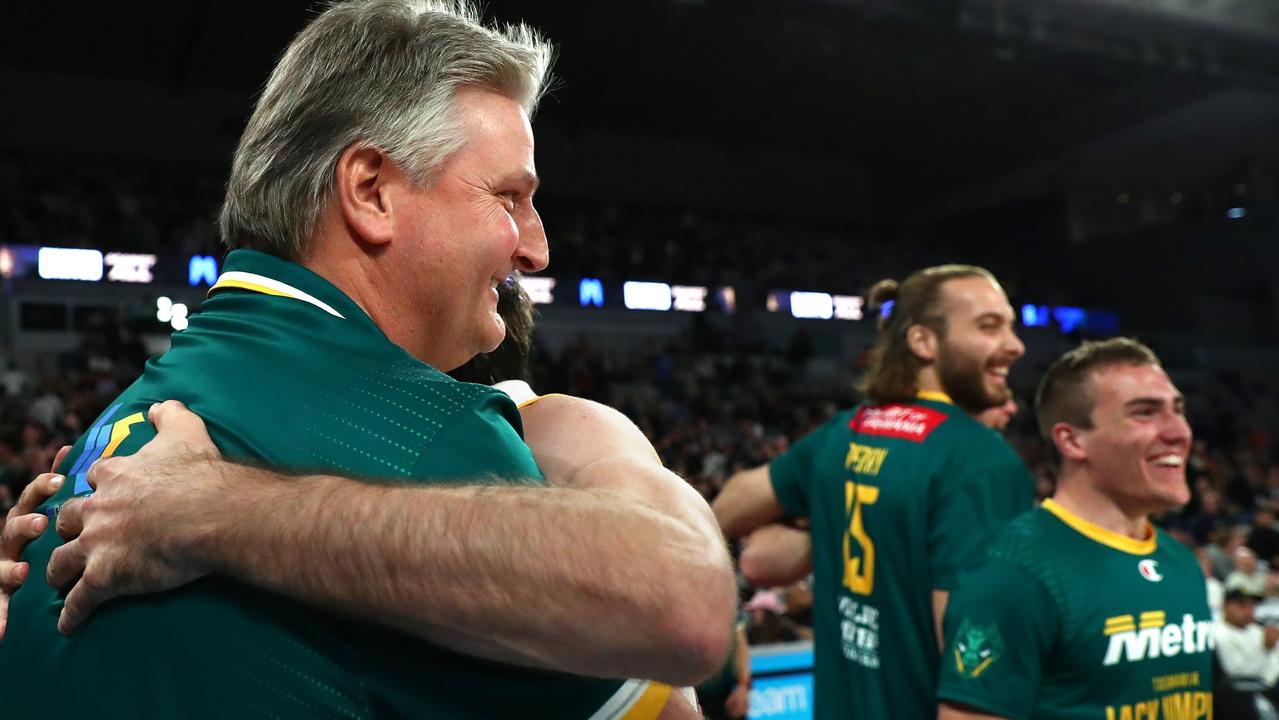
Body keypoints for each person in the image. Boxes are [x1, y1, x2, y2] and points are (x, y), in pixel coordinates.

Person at [0, 1, 734, 717]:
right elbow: (685, 617)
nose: (536, 247)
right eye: (508, 197)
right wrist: (573, 426)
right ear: (370, 190)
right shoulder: (428, 442)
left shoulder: (116, 428)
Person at [712, 264, 1034, 720]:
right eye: (989, 327)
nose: (1015, 346)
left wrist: (824, 524)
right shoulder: (981, 462)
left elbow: (729, 507)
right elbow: (975, 680)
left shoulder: (847, 432)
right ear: (922, 341)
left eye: (1011, 327)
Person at [937, 338, 1214, 719]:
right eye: (1145, 413)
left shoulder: (1181, 564)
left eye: (1177, 410)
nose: (1179, 432)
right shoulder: (1011, 574)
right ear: (1072, 440)